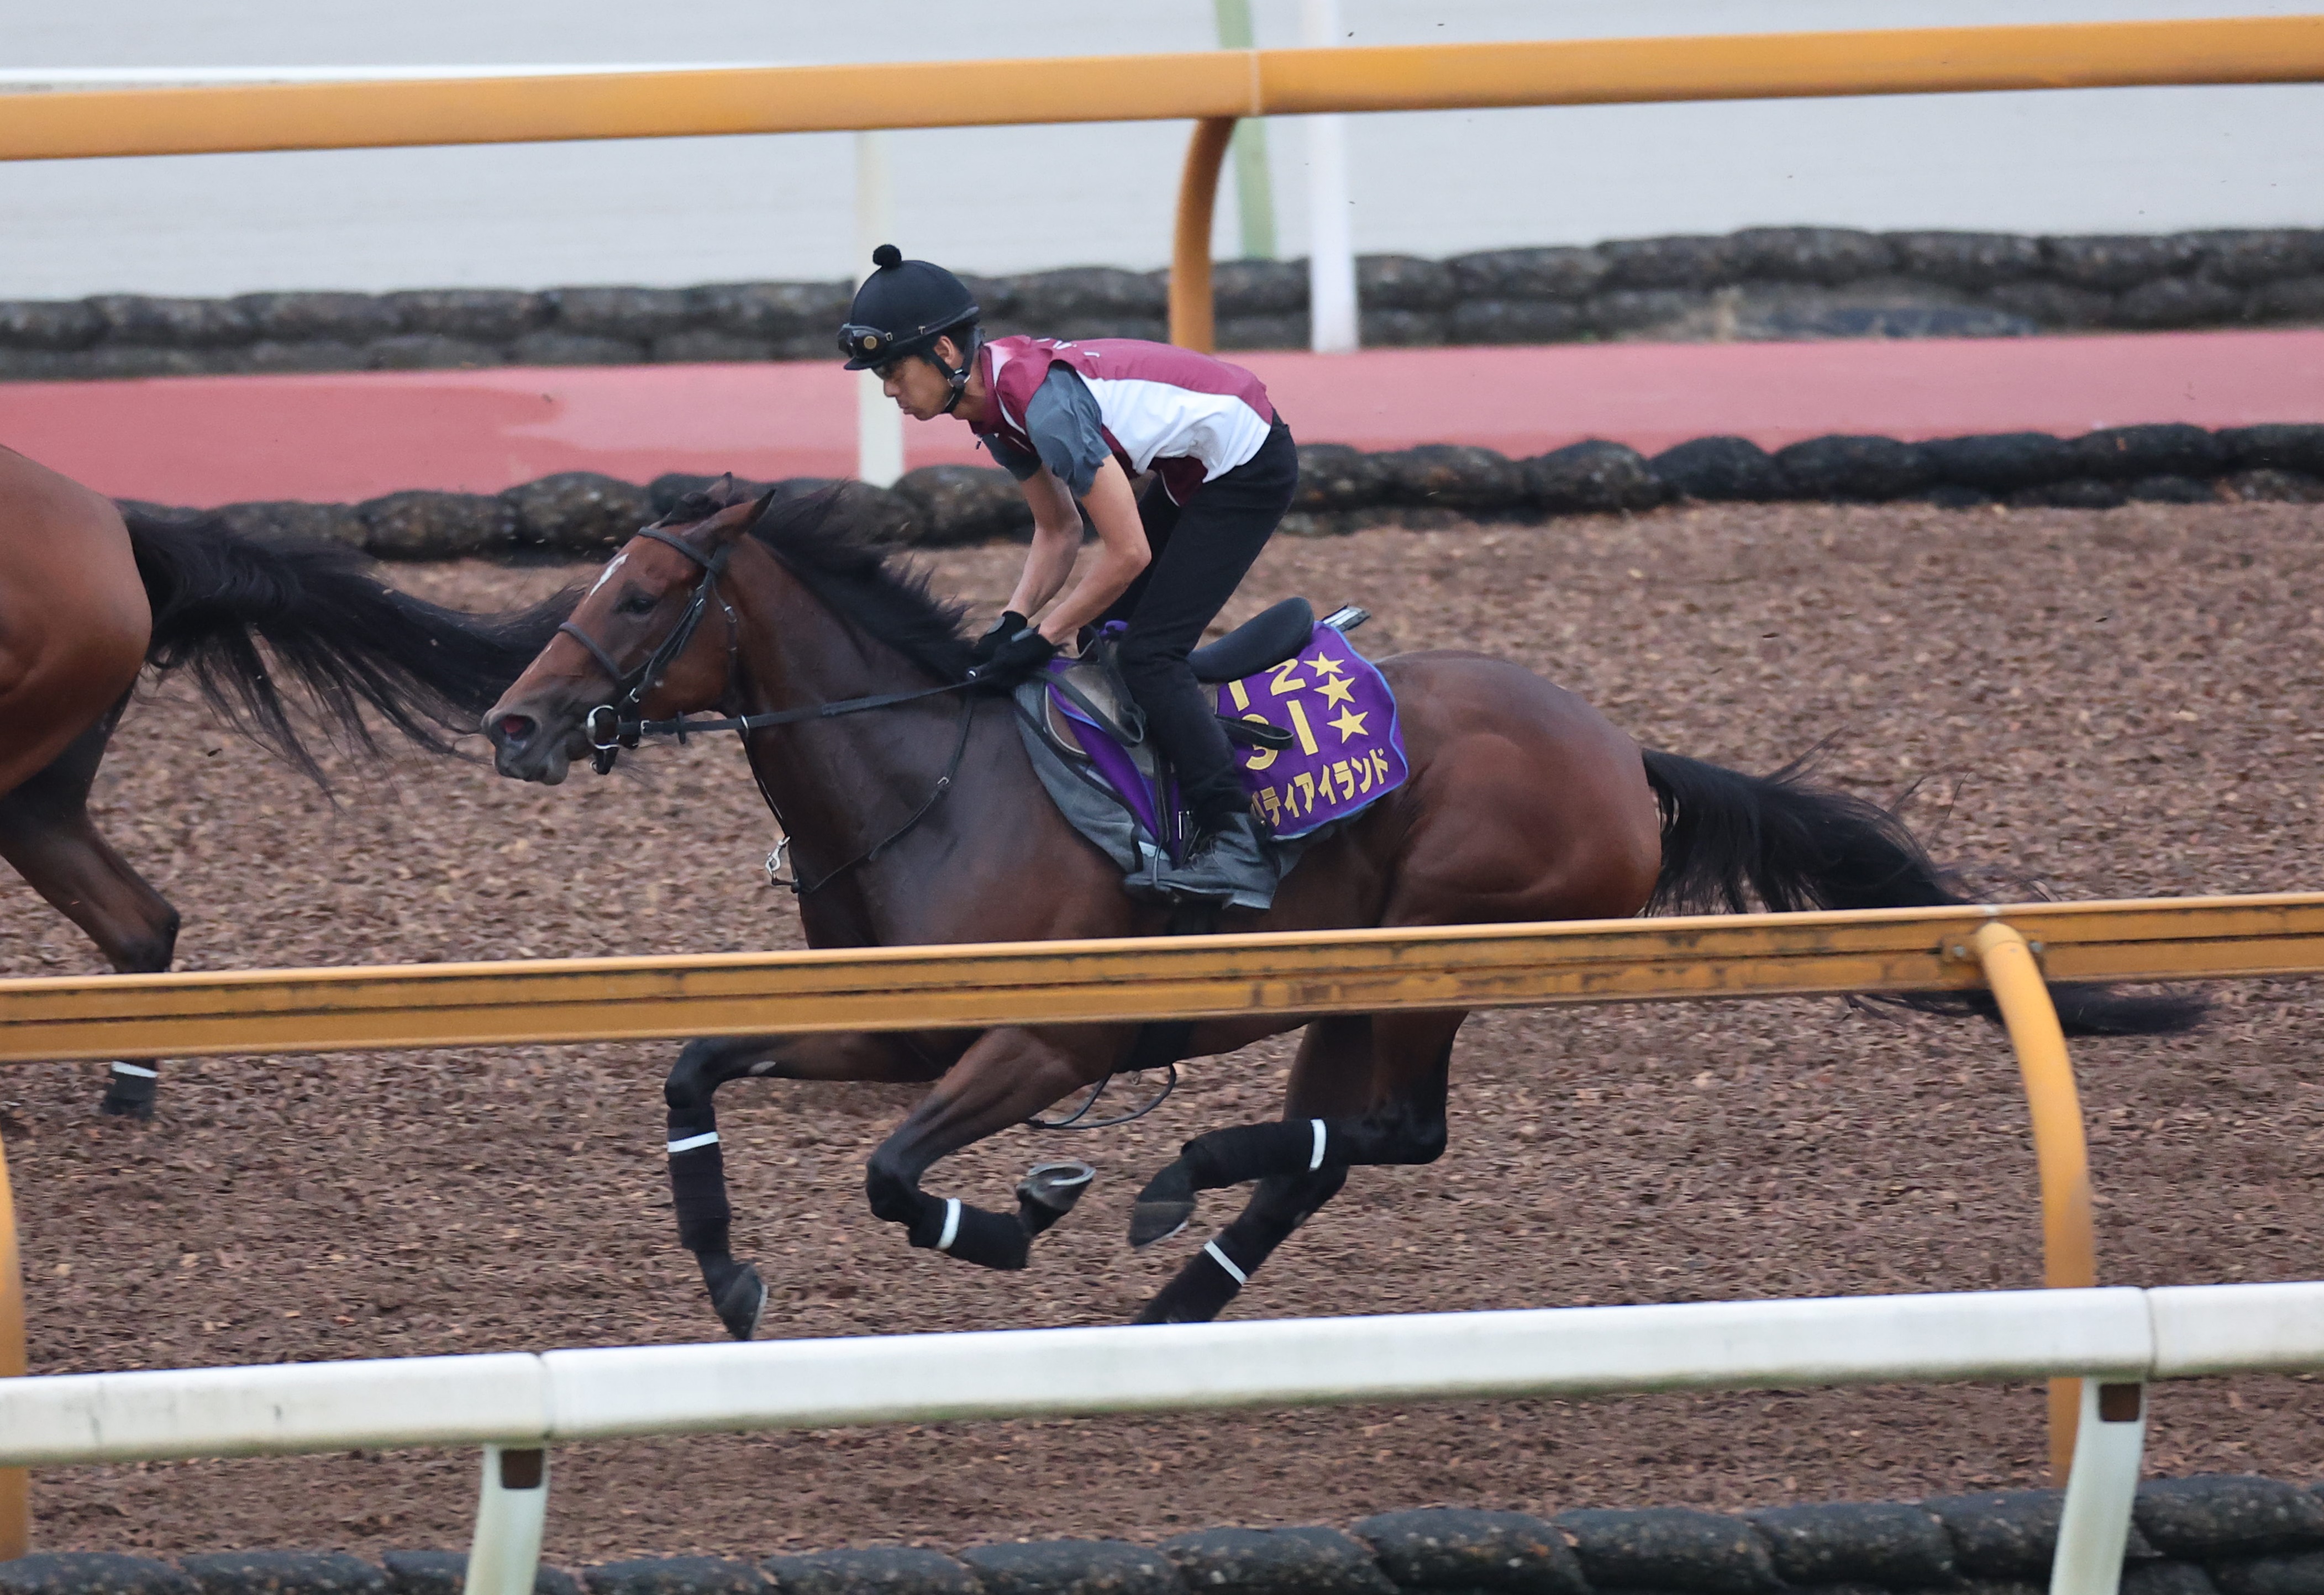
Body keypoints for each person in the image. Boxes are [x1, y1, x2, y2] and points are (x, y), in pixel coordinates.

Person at [838, 243, 1296, 911]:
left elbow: (1129, 553)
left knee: (1146, 654)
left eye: (893, 369)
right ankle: (1167, 797)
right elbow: (1060, 531)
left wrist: (1047, 634)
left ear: (943, 353)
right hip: (1192, 467)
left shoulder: (1043, 410)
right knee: (1107, 639)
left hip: (1246, 464)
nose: (887, 389)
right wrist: (1012, 622)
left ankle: (1237, 843)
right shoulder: (991, 409)